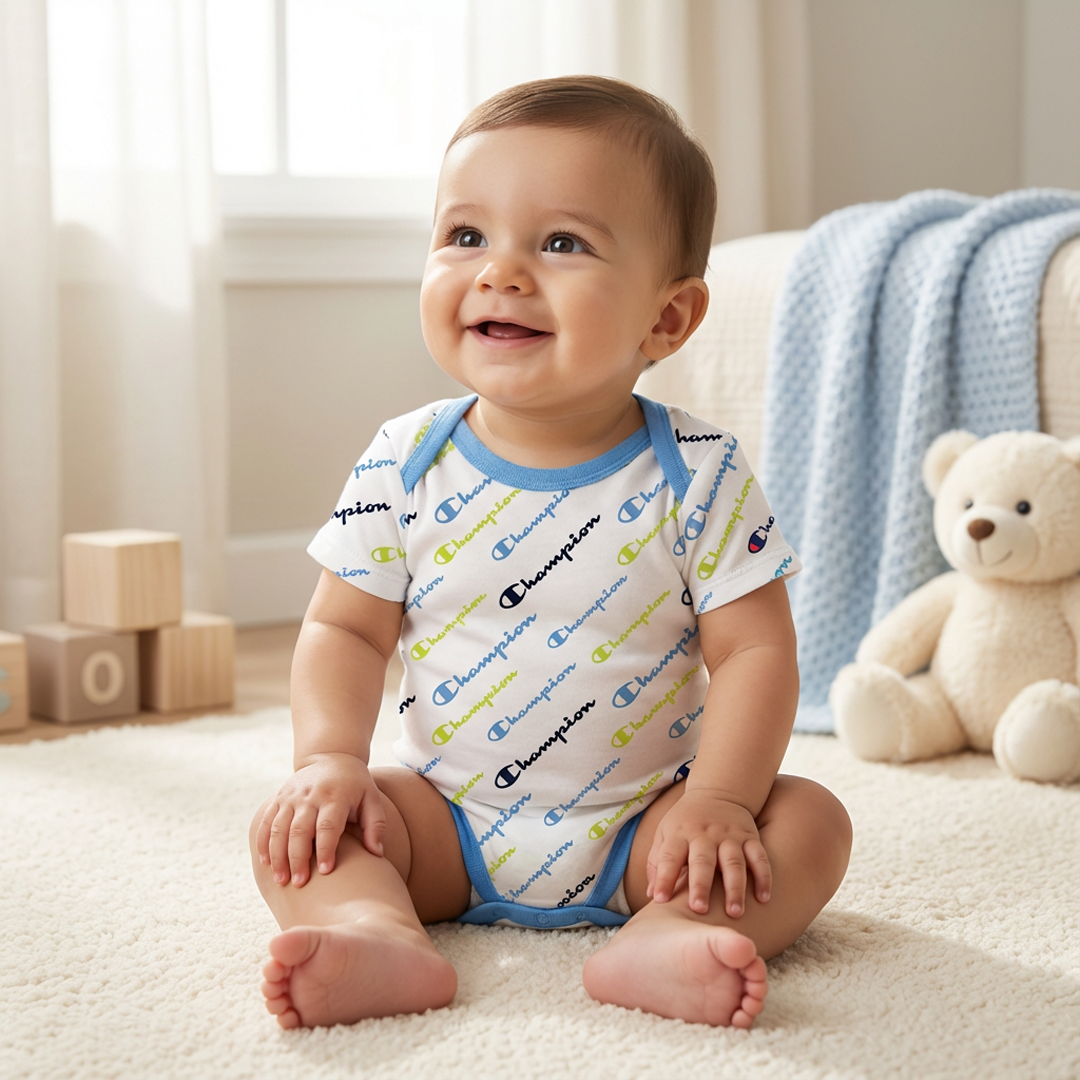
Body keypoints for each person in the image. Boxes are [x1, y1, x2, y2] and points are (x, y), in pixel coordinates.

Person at [251, 75, 852, 1031]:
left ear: (668, 319)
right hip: (440, 825)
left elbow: (756, 653)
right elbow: (343, 631)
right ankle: (373, 927)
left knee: (810, 822)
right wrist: (327, 758)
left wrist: (723, 802)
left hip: (648, 826)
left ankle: (667, 932)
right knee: (296, 827)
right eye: (465, 236)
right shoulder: (406, 459)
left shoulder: (698, 470)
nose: (500, 272)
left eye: (562, 243)